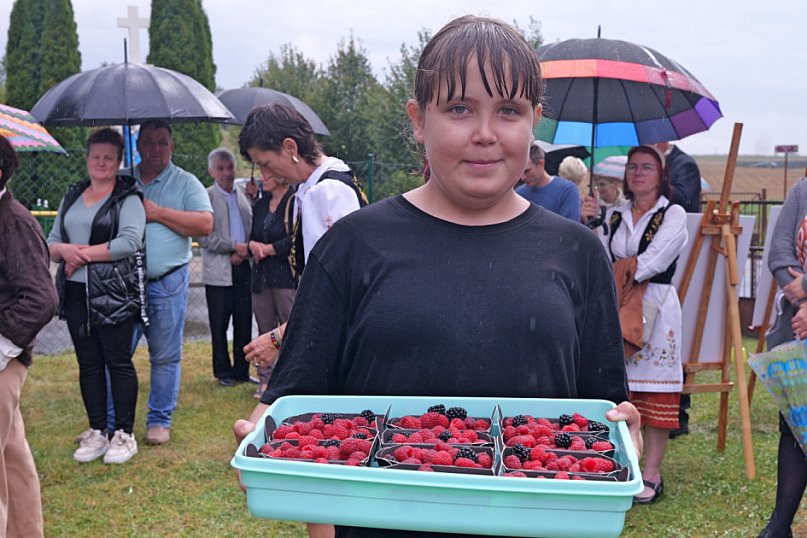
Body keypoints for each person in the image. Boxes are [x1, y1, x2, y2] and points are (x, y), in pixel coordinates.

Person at [235, 16, 642, 538]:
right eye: (459, 109)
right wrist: (266, 446)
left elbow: (602, 417)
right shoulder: (352, 248)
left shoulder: (578, 254)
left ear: (534, 122)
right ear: (419, 120)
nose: (485, 134)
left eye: (509, 111)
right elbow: (300, 412)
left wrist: (626, 433)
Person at [582, 145, 688, 504]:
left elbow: (654, 261)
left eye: (646, 167)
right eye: (632, 167)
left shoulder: (672, 214)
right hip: (619, 305)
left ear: (661, 175)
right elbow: (598, 257)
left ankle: (652, 473)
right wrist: (591, 223)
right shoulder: (615, 214)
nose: (638, 173)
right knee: (621, 388)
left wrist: (617, 272)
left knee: (656, 390)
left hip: (656, 307)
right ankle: (620, 465)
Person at [238, 103, 366, 371]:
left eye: (265, 164)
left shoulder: (328, 191)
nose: (265, 175)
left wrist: (278, 337)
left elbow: (339, 288)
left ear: (290, 148)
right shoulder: (313, 187)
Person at [48, 128, 147, 464]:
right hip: (75, 291)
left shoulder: (128, 198)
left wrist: (82, 255)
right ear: (87, 158)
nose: (101, 163)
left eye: (108, 158)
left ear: (119, 161)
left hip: (113, 292)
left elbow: (129, 242)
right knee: (88, 362)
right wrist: (65, 251)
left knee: (117, 362)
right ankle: (97, 430)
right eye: (95, 156)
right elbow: (52, 241)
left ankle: (124, 434)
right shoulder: (73, 194)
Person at [128, 119, 213, 446]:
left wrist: (157, 213)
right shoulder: (122, 180)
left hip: (166, 282)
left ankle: (159, 420)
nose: (155, 148)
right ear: (138, 146)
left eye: (162, 142)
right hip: (123, 283)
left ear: (172, 146)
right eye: (148, 142)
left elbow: (205, 224)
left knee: (164, 355)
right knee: (116, 354)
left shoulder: (186, 183)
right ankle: (112, 421)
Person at [0, 134, 58, 537]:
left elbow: (42, 299)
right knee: (12, 457)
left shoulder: (14, 221)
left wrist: (2, 347)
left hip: (4, 359)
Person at [758, 178, 807, 538]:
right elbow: (779, 254)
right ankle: (780, 525)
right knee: (796, 422)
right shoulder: (803, 191)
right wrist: (803, 302)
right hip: (800, 326)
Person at [198, 148, 254, 387]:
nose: (227, 173)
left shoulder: (244, 195)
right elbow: (204, 236)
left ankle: (242, 371)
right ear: (211, 171)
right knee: (219, 324)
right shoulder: (205, 198)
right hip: (219, 272)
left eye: (230, 167)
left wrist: (244, 250)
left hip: (245, 268)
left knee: (244, 321)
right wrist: (233, 246)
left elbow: (254, 227)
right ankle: (223, 372)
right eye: (221, 169)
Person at [247, 174, 296, 397]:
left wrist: (268, 250)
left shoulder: (294, 202)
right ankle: (265, 380)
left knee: (289, 329)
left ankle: (290, 378)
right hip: (260, 278)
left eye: (267, 172)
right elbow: (252, 236)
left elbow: (294, 239)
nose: (262, 177)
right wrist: (253, 246)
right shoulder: (260, 204)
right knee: (264, 328)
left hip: (285, 278)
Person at [516, 142, 580, 221]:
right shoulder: (519, 194)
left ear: (541, 163)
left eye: (527, 171)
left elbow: (571, 225)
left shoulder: (567, 190)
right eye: (520, 172)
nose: (522, 177)